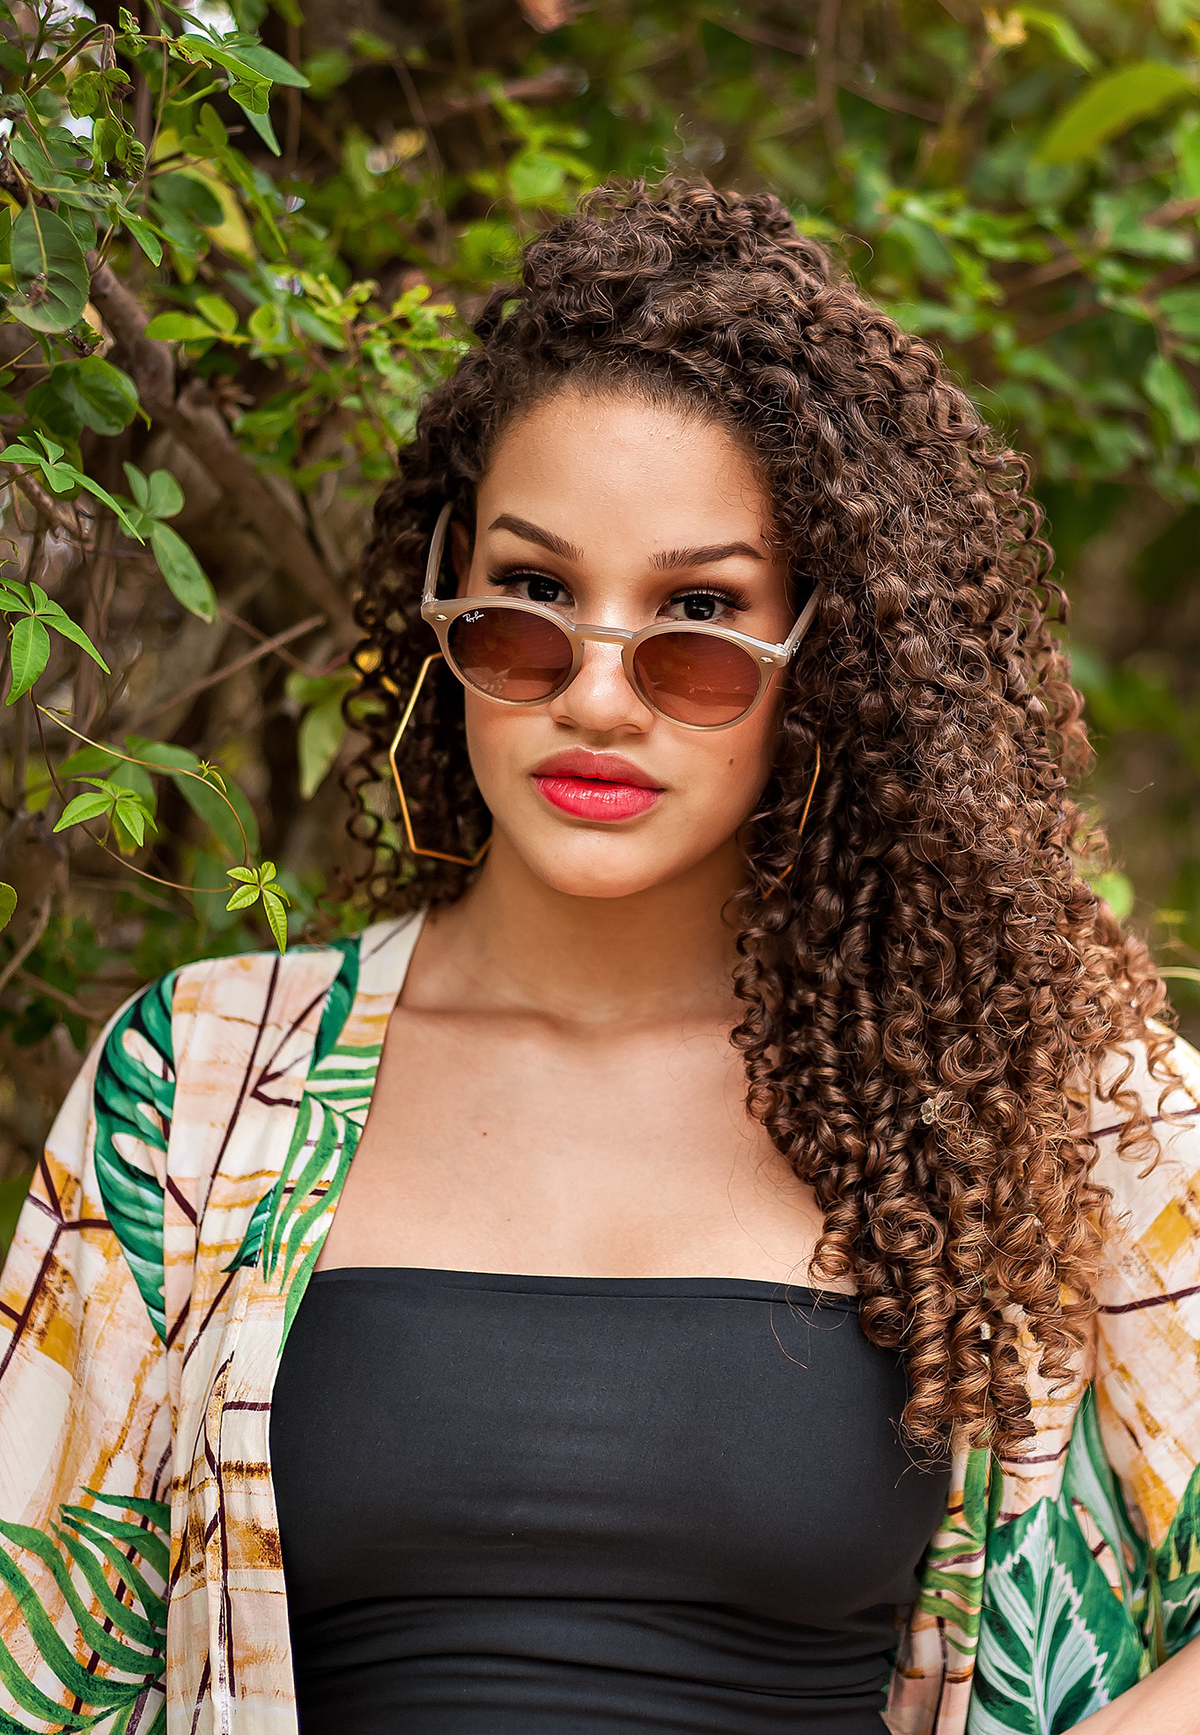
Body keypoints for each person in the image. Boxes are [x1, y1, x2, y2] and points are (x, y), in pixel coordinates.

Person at [1, 181, 1198, 1735]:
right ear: (450, 606)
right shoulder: (204, 1086)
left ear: (825, 659)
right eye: (535, 605)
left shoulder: (1037, 1109)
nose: (599, 696)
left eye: (699, 618)